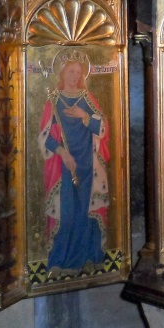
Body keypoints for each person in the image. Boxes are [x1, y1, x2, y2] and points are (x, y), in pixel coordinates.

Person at [38, 51, 109, 271]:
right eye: (71, 71)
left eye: (78, 72)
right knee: (66, 212)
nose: (75, 76)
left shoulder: (86, 98)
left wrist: (83, 116)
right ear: (62, 73)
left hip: (88, 165)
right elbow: (45, 137)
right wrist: (62, 152)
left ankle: (89, 258)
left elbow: (102, 128)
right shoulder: (54, 100)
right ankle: (60, 261)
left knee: (86, 213)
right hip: (64, 165)